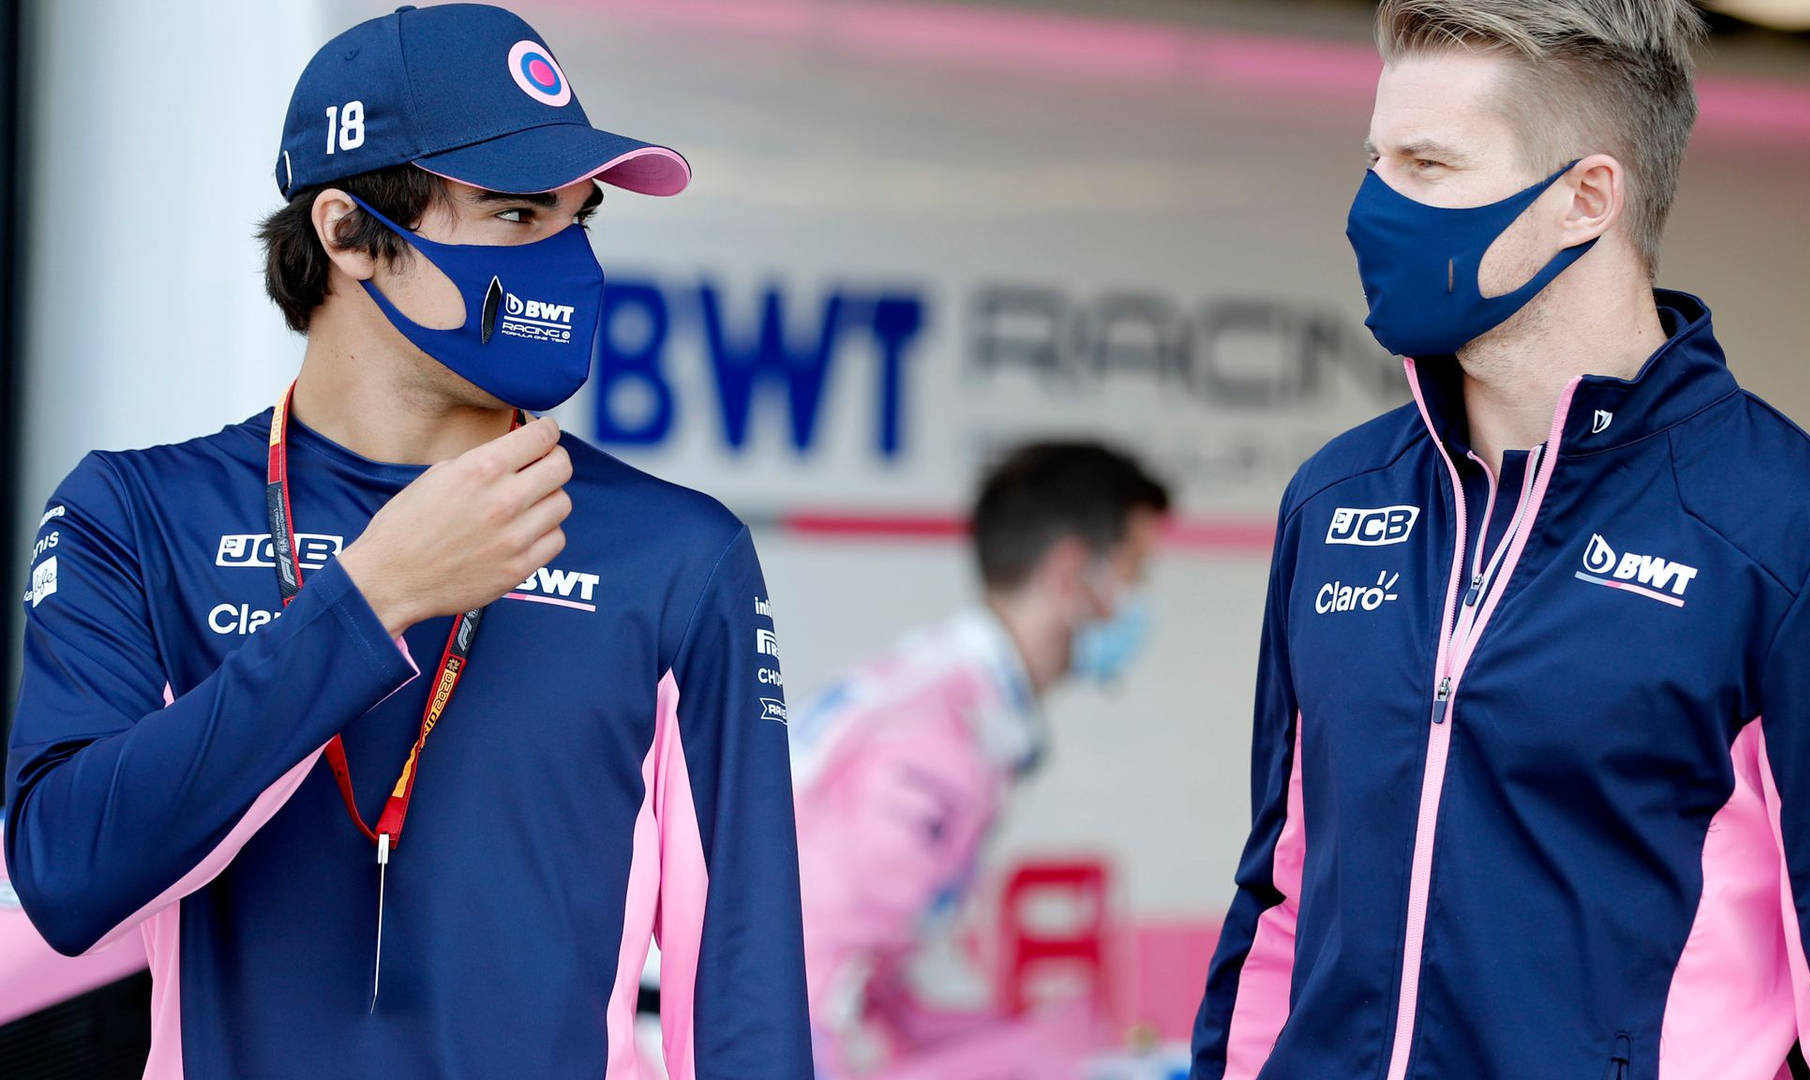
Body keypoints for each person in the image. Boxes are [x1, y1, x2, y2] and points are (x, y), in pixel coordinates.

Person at [3, 5, 810, 1078]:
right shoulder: (138, 514)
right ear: (344, 233)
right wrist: (368, 602)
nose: (567, 263)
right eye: (518, 217)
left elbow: (745, 987)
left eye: (580, 221)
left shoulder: (678, 553)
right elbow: (66, 875)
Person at [1191, 2, 1810, 1079]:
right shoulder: (1334, 503)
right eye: (1377, 159)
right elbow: (1281, 895)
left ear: (1586, 198)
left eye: (1427, 165)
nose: (1372, 207)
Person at [789, 442, 1171, 1079]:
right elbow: (809, 968)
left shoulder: (954, 702)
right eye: (1135, 573)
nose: (1140, 604)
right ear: (1072, 572)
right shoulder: (937, 738)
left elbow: (892, 983)